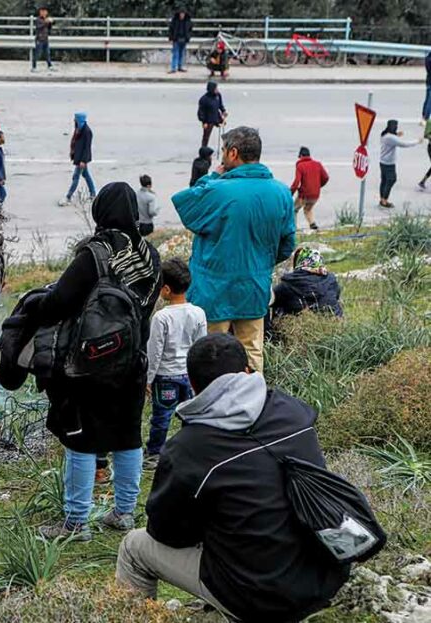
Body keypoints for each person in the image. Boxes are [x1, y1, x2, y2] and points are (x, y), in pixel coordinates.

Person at [116, 333, 350, 621]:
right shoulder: (292, 410)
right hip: (327, 576)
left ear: (192, 386)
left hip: (261, 597)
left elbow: (166, 533)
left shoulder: (188, 447)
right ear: (248, 370)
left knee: (134, 546)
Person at [22, 183, 161, 542]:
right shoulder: (150, 255)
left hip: (90, 363)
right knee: (128, 436)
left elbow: (59, 302)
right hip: (134, 361)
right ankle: (125, 513)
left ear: (100, 212)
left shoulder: (95, 254)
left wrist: (36, 305)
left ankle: (75, 523)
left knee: (81, 439)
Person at [172, 126, 295, 372]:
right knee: (251, 349)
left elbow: (186, 204)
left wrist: (212, 176)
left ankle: (210, 403)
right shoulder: (281, 192)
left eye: (223, 151)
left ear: (233, 153)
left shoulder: (217, 190)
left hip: (213, 290)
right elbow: (287, 244)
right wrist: (262, 262)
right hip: (254, 285)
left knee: (210, 351)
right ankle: (253, 402)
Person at [143, 258, 206, 470]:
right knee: (190, 414)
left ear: (166, 289)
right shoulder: (198, 313)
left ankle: (154, 454)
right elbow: (201, 347)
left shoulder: (161, 317)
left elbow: (155, 351)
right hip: (189, 375)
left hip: (165, 376)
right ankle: (191, 451)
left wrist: (148, 379)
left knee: (162, 417)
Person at [270, 246, 343, 327]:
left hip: (298, 330)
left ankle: (271, 336)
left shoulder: (287, 285)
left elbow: (269, 301)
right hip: (333, 328)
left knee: (278, 305)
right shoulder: (332, 281)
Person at [379, 119, 421, 208]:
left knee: (384, 180)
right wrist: (417, 141)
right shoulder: (391, 138)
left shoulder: (384, 134)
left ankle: (382, 198)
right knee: (391, 179)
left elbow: (392, 138)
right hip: (389, 163)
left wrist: (397, 134)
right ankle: (384, 200)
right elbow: (404, 144)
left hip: (383, 162)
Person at [290, 147, 329, 231]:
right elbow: (326, 177)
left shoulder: (300, 166)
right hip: (315, 195)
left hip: (304, 195)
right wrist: (318, 186)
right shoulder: (318, 164)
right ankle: (312, 224)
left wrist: (290, 193)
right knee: (308, 209)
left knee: (294, 210)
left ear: (301, 156)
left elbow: (296, 182)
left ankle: (294, 228)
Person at [60, 113, 95, 205]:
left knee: (76, 177)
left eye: (75, 119)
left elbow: (87, 148)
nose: (74, 121)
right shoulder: (78, 129)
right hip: (78, 158)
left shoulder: (87, 132)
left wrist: (83, 160)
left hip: (82, 160)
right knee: (86, 176)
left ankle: (68, 197)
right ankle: (93, 194)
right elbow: (75, 142)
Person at [197, 81, 226, 149]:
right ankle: (204, 148)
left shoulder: (218, 95)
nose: (217, 90)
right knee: (206, 136)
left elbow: (220, 105)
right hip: (208, 120)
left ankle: (225, 146)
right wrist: (204, 122)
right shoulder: (204, 99)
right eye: (215, 89)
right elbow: (201, 112)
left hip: (217, 116)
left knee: (224, 131)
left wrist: (223, 111)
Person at [167, 9, 193, 73]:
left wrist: (188, 37)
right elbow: (171, 29)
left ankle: (180, 67)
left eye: (183, 14)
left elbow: (190, 29)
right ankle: (173, 68)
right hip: (176, 39)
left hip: (184, 39)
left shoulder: (187, 21)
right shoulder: (175, 20)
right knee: (175, 54)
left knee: (181, 54)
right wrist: (171, 38)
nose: (182, 15)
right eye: (181, 14)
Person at [32, 7, 54, 72]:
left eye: (45, 11)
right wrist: (46, 22)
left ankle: (50, 66)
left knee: (47, 53)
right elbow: (39, 27)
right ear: (40, 12)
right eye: (43, 11)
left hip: (45, 39)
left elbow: (49, 29)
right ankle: (34, 67)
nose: (44, 13)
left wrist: (50, 23)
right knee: (37, 53)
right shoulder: (38, 19)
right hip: (39, 39)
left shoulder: (46, 19)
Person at [423, 50, 431, 122]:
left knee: (427, 98)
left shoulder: (427, 58)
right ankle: (426, 117)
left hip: (428, 80)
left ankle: (424, 116)